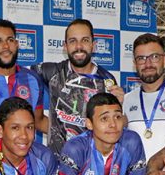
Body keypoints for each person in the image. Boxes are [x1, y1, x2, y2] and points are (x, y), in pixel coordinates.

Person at [31, 19, 119, 155]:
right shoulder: (51, 71)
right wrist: (51, 128)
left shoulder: (106, 80)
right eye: (73, 41)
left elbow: (113, 127)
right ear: (65, 46)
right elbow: (17, 74)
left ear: (93, 46)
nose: (79, 46)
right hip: (58, 166)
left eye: (85, 40)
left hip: (91, 165)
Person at [0, 19, 48, 133]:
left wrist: (71, 135)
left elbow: (39, 121)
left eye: (10, 40)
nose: (6, 46)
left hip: (25, 150)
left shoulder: (33, 79)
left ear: (16, 44)